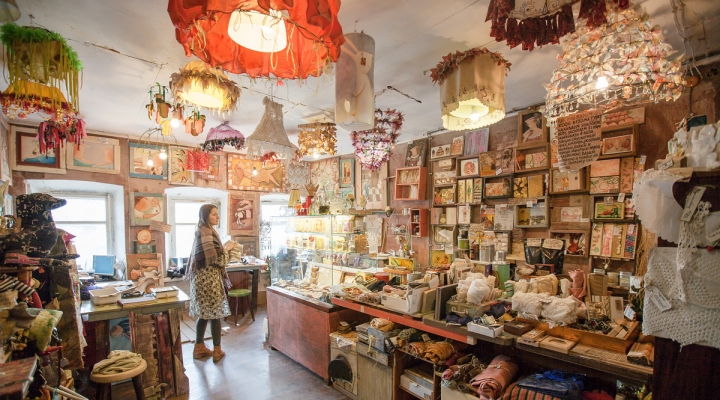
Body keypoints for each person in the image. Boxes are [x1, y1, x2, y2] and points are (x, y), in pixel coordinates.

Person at [187, 204, 236, 362]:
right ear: (206, 216)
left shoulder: (200, 230)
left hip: (199, 281)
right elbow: (219, 260)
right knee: (215, 315)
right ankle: (217, 351)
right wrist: (227, 249)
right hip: (210, 280)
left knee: (203, 314)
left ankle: (199, 347)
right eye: (214, 214)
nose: (218, 217)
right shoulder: (208, 233)